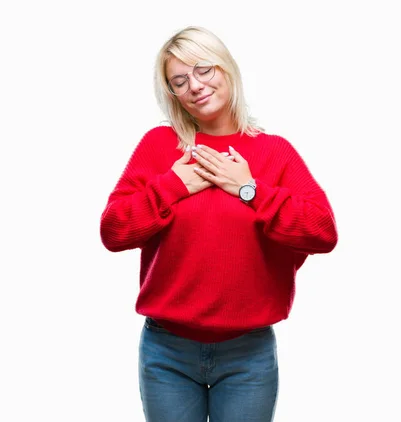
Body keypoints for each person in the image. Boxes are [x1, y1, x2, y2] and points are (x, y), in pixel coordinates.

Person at [99, 25, 338, 422]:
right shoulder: (160, 146)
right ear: (172, 94)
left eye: (203, 69)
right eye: (180, 80)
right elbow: (113, 231)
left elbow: (322, 232)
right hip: (166, 351)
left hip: (248, 353)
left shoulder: (273, 151)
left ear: (226, 69)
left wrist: (248, 190)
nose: (195, 85)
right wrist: (173, 186)